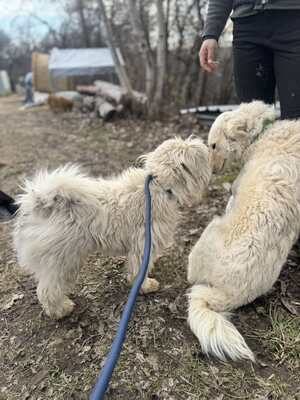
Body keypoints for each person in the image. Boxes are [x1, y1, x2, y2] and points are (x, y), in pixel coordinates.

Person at [199, 0, 300, 119]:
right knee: (253, 120)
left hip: (294, 22)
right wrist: (211, 33)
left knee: (296, 119)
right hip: (246, 29)